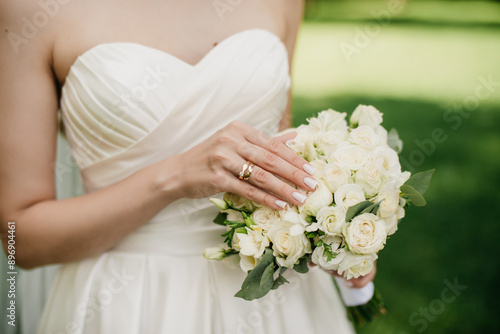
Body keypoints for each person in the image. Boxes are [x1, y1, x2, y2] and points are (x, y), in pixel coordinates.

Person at [0, 1, 375, 332]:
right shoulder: (29, 9)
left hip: (273, 297)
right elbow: (20, 242)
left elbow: (278, 147)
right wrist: (175, 177)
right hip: (129, 302)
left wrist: (328, 225)